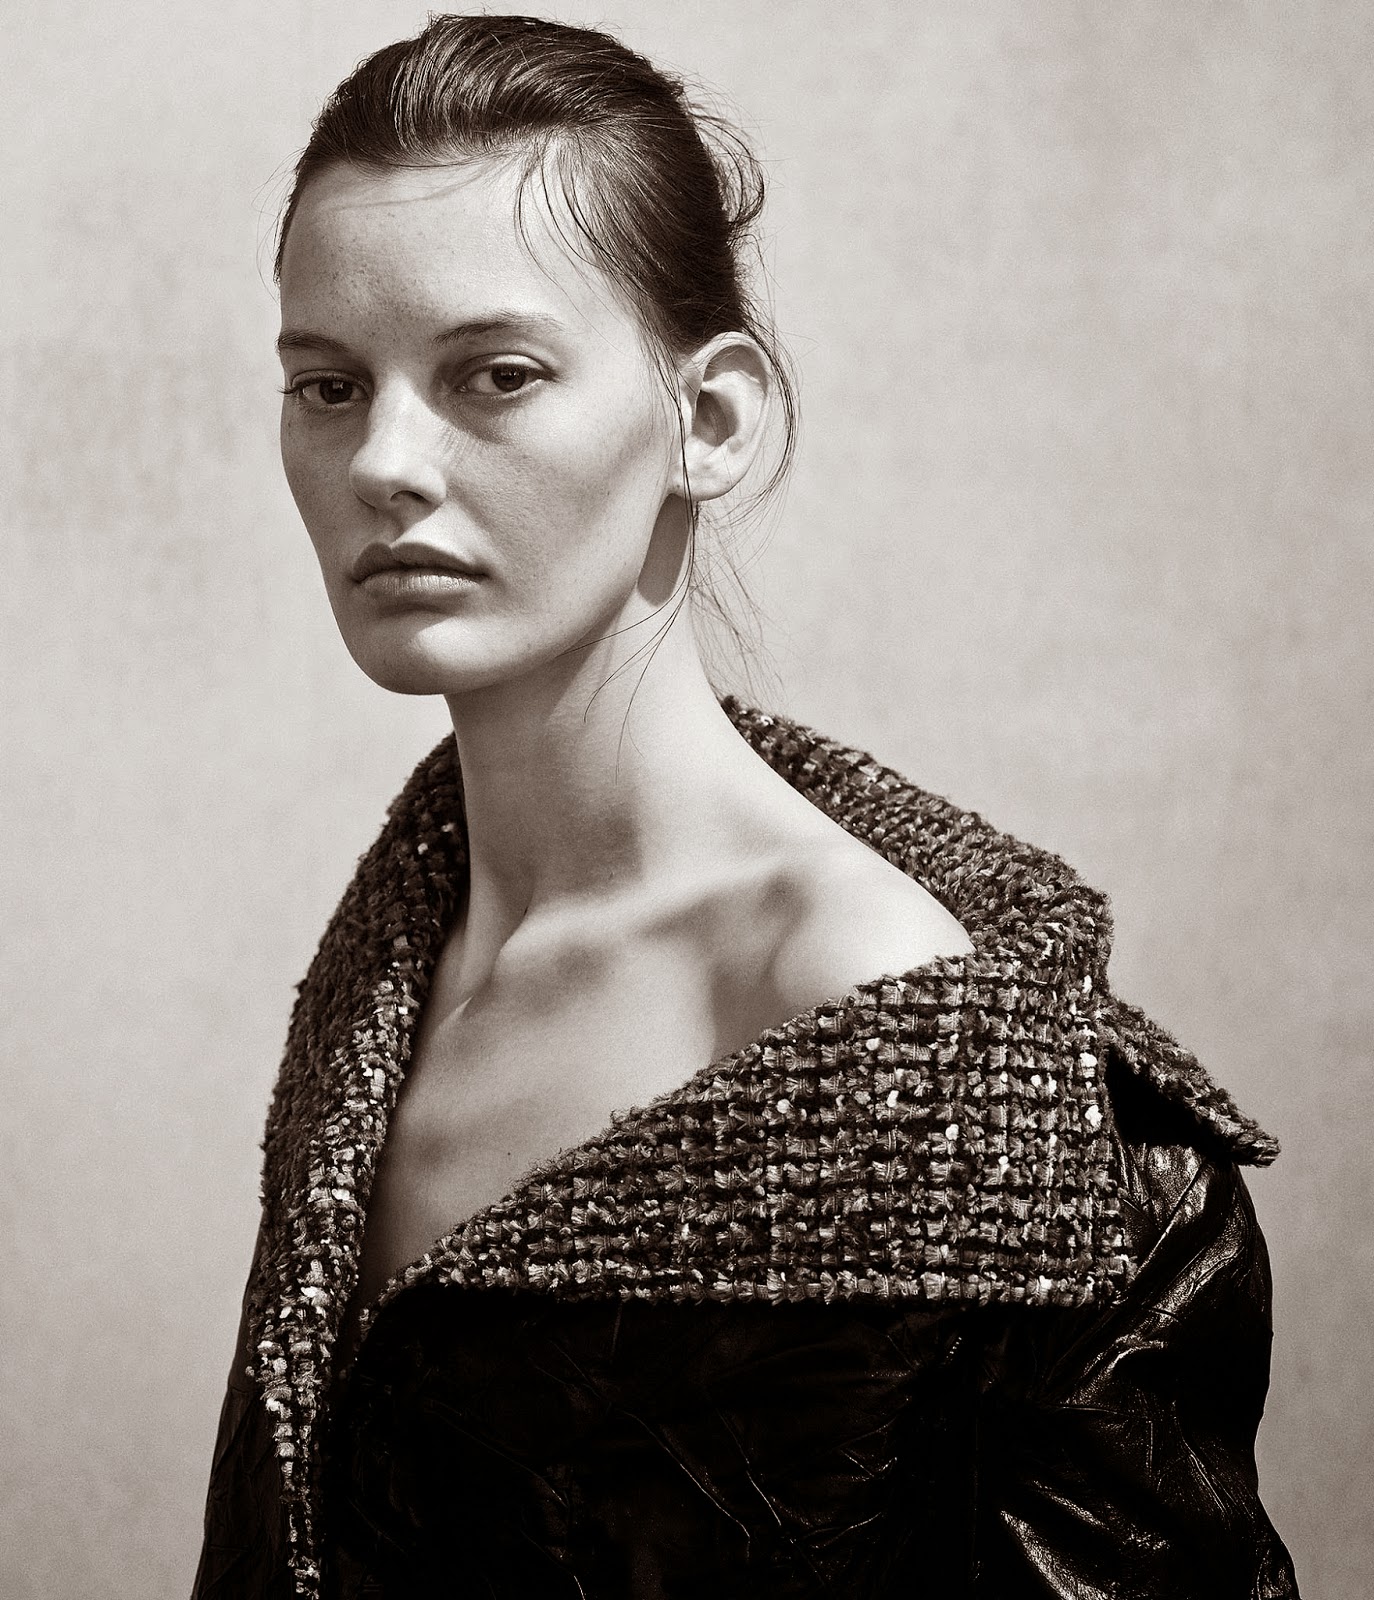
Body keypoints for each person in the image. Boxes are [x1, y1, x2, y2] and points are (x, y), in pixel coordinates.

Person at [192, 15, 1297, 1598]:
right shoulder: (395, 957)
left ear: (708, 421)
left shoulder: (905, 1030)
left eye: (494, 375)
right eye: (327, 385)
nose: (384, 461)